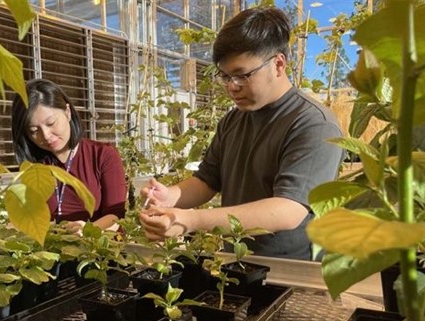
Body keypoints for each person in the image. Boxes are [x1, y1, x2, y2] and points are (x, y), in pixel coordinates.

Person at [138, 7, 344, 261]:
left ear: (278, 64)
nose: (232, 87)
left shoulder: (313, 124)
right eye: (225, 77)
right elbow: (206, 181)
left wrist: (191, 220)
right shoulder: (234, 119)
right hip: (236, 260)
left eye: (242, 75)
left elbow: (288, 210)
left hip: (292, 271)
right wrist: (169, 196)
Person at [11, 79, 127, 234]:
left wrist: (88, 230)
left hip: (100, 251)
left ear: (67, 112)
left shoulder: (103, 155)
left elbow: (116, 215)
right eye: (33, 131)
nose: (45, 136)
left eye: (51, 123)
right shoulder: (36, 166)